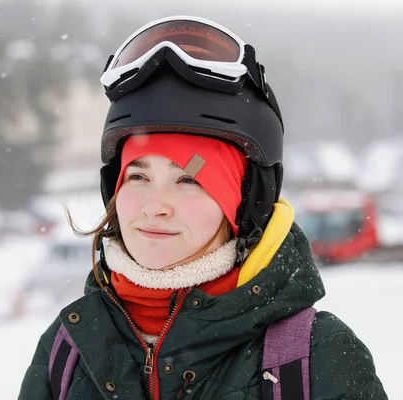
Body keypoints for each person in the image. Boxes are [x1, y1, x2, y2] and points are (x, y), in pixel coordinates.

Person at [19, 15, 387, 400]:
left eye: (189, 180)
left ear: (244, 205)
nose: (154, 206)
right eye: (138, 177)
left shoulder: (313, 360)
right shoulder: (67, 351)